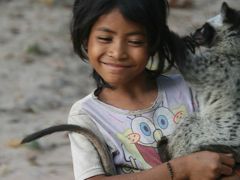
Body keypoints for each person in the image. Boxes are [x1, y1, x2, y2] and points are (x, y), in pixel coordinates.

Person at [68, 0, 239, 179]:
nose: (118, 53)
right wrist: (182, 168)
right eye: (105, 38)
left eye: (135, 41)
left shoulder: (192, 89)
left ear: (153, 44)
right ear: (85, 39)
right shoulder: (86, 115)